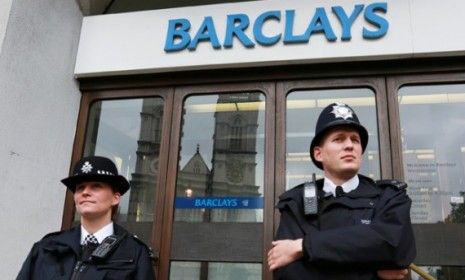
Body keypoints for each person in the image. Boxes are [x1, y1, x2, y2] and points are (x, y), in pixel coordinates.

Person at [268, 103, 416, 280]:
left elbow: (395, 248)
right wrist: (373, 273)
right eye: (339, 139)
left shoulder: (389, 197)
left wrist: (304, 247)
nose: (349, 146)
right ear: (318, 154)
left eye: (355, 140)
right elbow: (287, 273)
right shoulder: (297, 203)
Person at [17, 156, 155, 280]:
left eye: (96, 186)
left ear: (115, 198)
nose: (85, 192)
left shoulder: (134, 252)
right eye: (80, 188)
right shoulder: (47, 247)